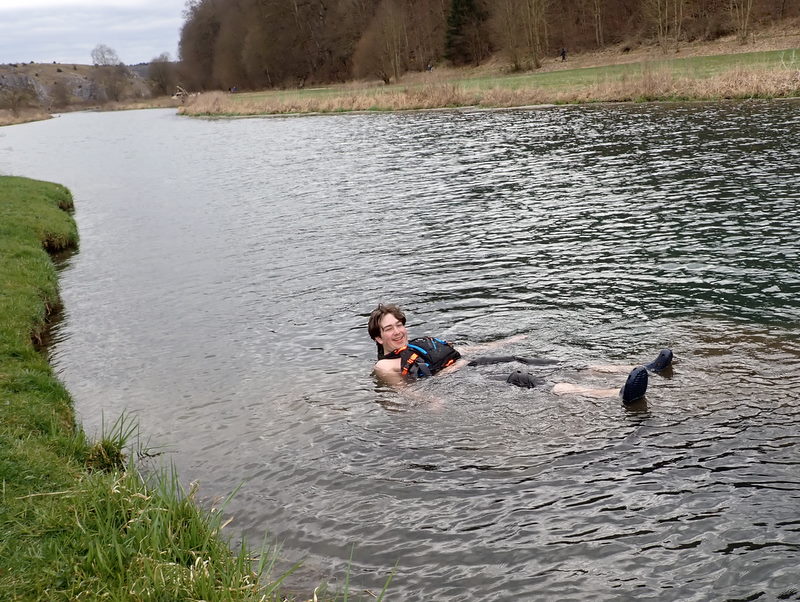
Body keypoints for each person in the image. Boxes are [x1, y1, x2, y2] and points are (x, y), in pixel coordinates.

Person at [367, 303, 673, 404]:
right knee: (522, 377)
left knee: (535, 360)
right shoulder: (385, 366)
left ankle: (644, 368)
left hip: (472, 364)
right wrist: (430, 401)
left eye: (399, 325)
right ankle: (614, 394)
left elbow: (464, 351)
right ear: (379, 337)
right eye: (389, 329)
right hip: (459, 380)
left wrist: (505, 343)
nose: (397, 331)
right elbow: (403, 391)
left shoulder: (418, 344)